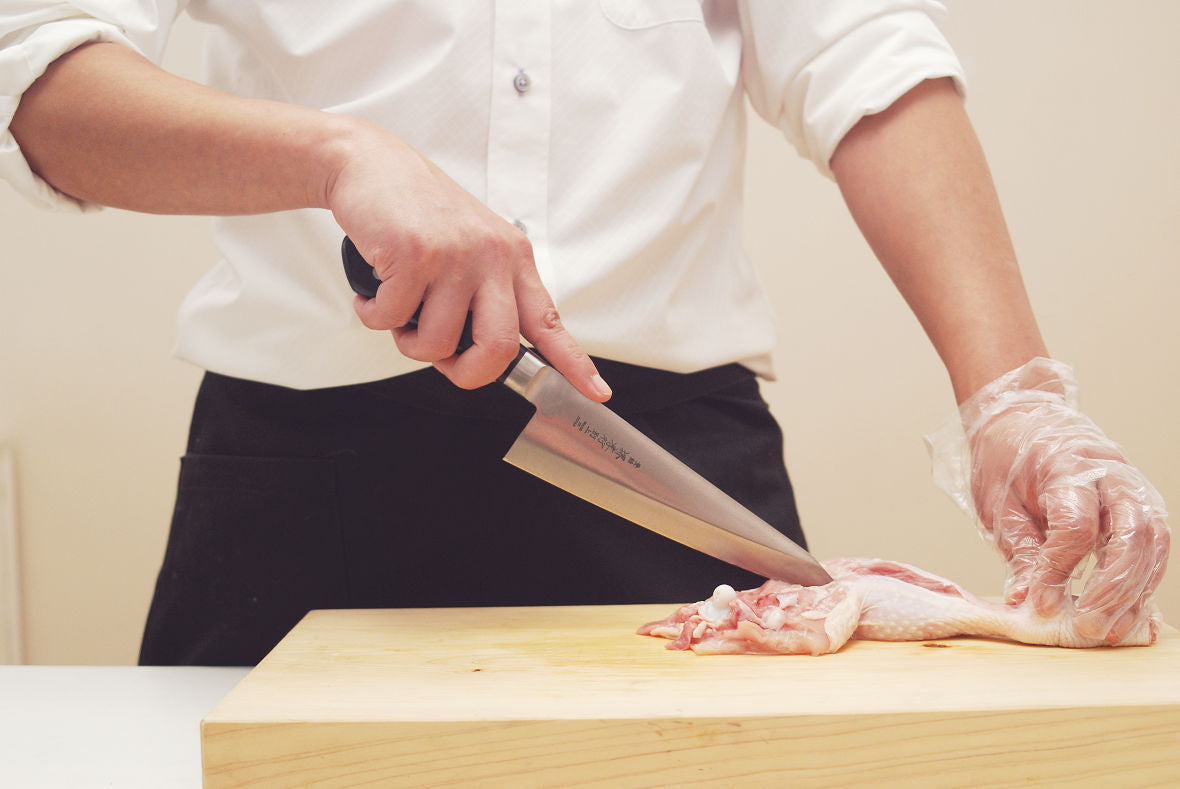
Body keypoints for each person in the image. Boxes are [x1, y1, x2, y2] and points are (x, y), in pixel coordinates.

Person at [1, 2, 1167, 665]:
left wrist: (1013, 394)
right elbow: (41, 74)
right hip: (301, 487)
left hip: (663, 474)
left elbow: (862, 57)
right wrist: (339, 155)